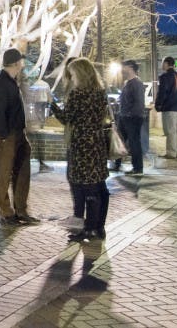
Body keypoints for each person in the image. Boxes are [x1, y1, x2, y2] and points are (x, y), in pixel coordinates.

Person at [50, 58, 111, 241]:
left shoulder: (78, 93)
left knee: (86, 187)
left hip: (82, 144)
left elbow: (66, 117)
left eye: (74, 73)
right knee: (98, 185)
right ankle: (99, 227)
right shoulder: (100, 92)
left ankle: (89, 228)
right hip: (97, 143)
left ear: (80, 73)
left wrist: (51, 105)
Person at [0, 48, 38, 227]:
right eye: (21, 62)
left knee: (22, 171)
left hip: (18, 133)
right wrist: (3, 136)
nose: (23, 65)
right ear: (17, 63)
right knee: (4, 173)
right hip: (8, 135)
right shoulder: (2, 83)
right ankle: (6, 212)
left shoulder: (11, 81)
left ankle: (21, 209)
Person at [118, 60, 145, 176]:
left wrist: (130, 114)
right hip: (124, 116)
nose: (122, 69)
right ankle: (117, 163)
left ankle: (138, 168)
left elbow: (139, 102)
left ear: (130, 67)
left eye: (124, 67)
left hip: (132, 118)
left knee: (134, 143)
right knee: (120, 140)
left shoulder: (137, 83)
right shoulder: (127, 83)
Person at [155, 56, 177, 159]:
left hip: (170, 107)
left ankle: (171, 152)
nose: (161, 64)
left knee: (170, 130)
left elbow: (162, 92)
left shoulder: (165, 77)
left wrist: (158, 104)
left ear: (167, 64)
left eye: (163, 62)